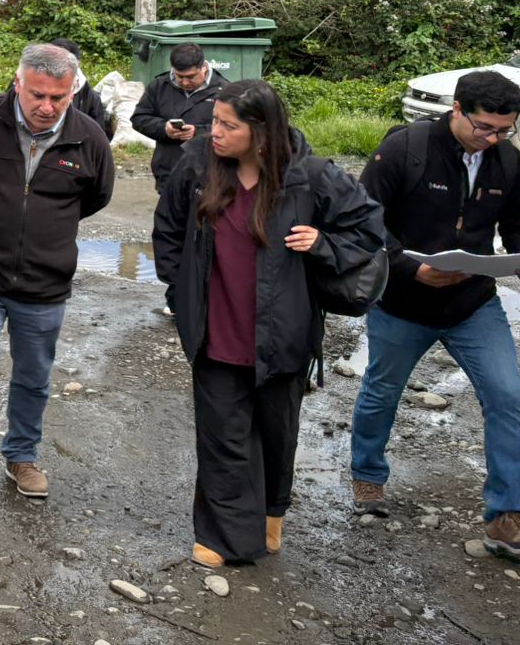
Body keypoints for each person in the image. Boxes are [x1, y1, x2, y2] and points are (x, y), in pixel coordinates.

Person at [153, 79, 385, 567]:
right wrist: (181, 294)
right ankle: (225, 539)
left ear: (260, 132)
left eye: (226, 125)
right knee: (222, 437)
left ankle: (271, 513)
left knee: (277, 433)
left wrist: (323, 244)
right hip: (215, 333)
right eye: (213, 121)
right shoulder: (197, 166)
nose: (212, 131)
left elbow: (368, 229)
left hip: (284, 334)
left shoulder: (311, 176)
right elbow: (168, 230)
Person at [349, 70, 520, 561]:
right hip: (402, 303)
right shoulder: (404, 149)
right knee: (382, 390)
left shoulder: (508, 160)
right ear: (457, 109)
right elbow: (362, 222)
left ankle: (506, 517)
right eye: (484, 127)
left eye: (504, 130)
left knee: (507, 398)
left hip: (473, 305)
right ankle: (368, 479)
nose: (493, 139)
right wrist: (409, 268)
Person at [0, 42, 114, 514]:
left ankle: (21, 457)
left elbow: (96, 197)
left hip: (46, 281)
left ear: (73, 91)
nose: (45, 106)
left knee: (33, 376)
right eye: (36, 94)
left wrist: (44, 232)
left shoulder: (90, 138)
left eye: (57, 97)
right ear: (18, 83)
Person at [131, 43, 225, 193]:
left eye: (191, 77)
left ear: (204, 67)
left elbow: (232, 129)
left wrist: (197, 133)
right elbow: (139, 118)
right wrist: (163, 129)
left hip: (208, 175)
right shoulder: (159, 86)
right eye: (179, 76)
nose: (185, 82)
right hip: (168, 172)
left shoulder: (224, 91)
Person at [49, 37, 114, 137]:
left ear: (77, 65)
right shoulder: (26, 88)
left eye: (64, 63)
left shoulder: (90, 98)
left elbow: (98, 137)